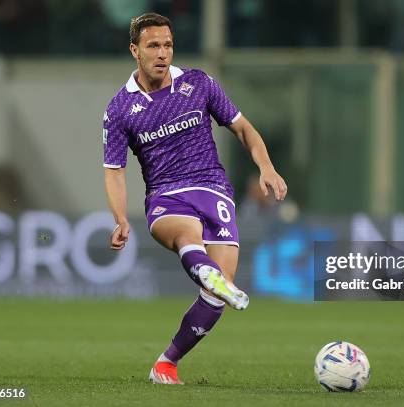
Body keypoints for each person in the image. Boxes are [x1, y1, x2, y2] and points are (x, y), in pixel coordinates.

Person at [102, 13, 287, 385]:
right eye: (153, 46)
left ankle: (165, 364)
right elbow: (114, 169)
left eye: (168, 45)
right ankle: (205, 270)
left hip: (214, 190)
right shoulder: (120, 109)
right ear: (135, 50)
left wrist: (266, 167)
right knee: (188, 236)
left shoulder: (199, 83)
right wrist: (120, 217)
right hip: (166, 197)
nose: (162, 53)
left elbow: (243, 128)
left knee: (218, 293)